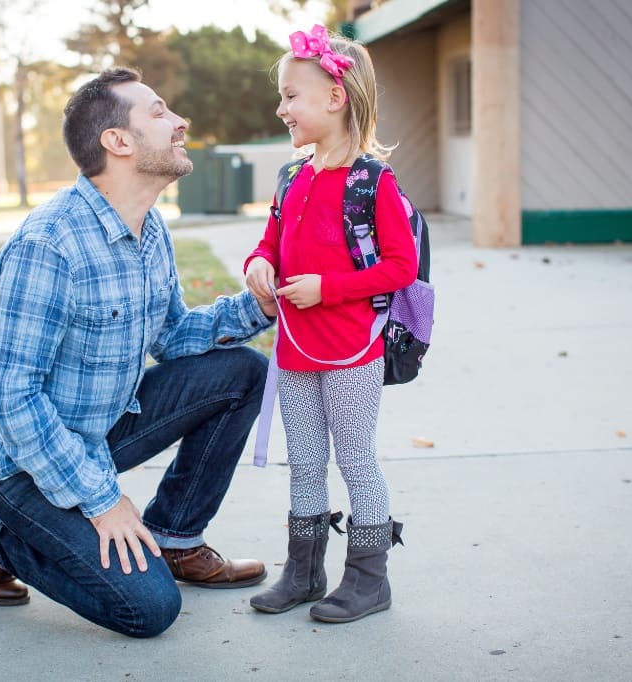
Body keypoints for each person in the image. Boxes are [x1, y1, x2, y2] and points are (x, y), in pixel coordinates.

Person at [0, 66, 277, 638]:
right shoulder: (48, 246)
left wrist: (260, 306)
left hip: (98, 427)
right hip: (20, 461)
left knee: (243, 372)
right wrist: (103, 502)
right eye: (159, 112)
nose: (180, 122)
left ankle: (176, 539)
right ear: (118, 142)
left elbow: (173, 336)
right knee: (148, 608)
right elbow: (11, 398)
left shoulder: (149, 228)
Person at [243, 25, 418, 623]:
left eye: (292, 95)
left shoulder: (373, 183)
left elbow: (400, 266)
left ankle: (369, 580)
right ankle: (304, 571)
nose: (281, 107)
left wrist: (329, 288)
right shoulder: (292, 177)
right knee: (306, 458)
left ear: (335, 98)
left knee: (354, 457)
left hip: (351, 349)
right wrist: (259, 265)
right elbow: (269, 241)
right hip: (294, 348)